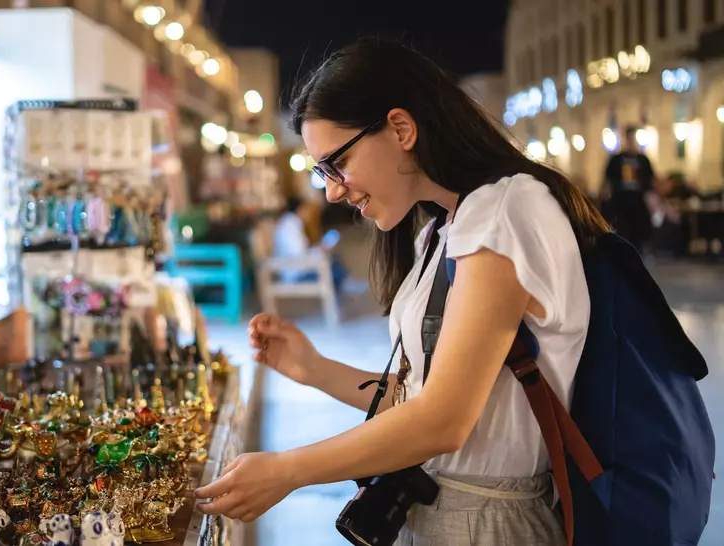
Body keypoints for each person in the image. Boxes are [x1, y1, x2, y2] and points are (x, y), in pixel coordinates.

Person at [194, 37, 609, 545]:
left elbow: (443, 423)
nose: (331, 190)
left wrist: (289, 470)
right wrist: (315, 369)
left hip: (489, 523)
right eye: (320, 171)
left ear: (401, 128)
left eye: (335, 163)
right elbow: (419, 399)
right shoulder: (439, 230)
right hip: (441, 510)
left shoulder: (505, 212)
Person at [272, 196, 347, 290]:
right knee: (333, 268)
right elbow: (299, 255)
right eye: (305, 209)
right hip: (296, 274)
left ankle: (345, 286)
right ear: (299, 209)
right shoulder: (289, 227)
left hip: (299, 266)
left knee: (334, 258)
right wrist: (320, 249)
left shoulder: (292, 223)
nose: (308, 213)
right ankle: (343, 290)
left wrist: (319, 248)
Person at [601, 126, 655, 252]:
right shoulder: (616, 160)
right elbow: (608, 179)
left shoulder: (643, 160)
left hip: (638, 201)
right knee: (623, 230)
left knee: (637, 231)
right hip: (621, 201)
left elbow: (650, 180)